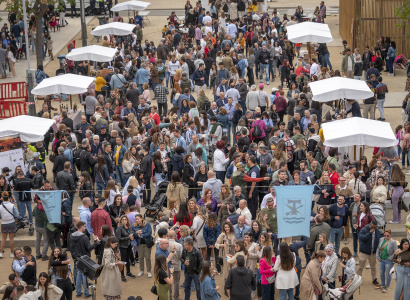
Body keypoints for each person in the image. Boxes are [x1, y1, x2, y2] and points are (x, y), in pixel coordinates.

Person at [357, 220, 381, 287]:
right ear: (370, 225)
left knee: (373, 267)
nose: (373, 228)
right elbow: (361, 238)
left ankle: (374, 279)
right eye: (372, 227)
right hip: (364, 252)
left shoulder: (377, 231)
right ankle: (358, 279)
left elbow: (379, 239)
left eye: (375, 227)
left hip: (372, 252)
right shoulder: (364, 229)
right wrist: (369, 233)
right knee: (360, 267)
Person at [376, 229, 397, 293]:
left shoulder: (393, 242)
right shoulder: (381, 239)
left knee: (388, 274)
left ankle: (387, 286)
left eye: (388, 235)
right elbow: (378, 248)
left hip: (388, 261)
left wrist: (390, 258)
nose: (386, 237)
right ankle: (382, 284)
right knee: (381, 272)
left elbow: (396, 251)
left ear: (390, 235)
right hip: (381, 259)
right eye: (385, 235)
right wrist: (378, 256)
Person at [115, 215, 135, 281]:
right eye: (122, 219)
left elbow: (131, 233)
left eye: (125, 219)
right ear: (121, 221)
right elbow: (118, 238)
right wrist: (128, 237)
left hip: (129, 245)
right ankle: (122, 275)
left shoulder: (128, 226)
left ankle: (128, 272)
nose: (124, 221)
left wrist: (132, 236)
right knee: (123, 260)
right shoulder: (119, 228)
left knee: (128, 259)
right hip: (123, 246)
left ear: (127, 220)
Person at [0, 192, 18, 258]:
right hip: (11, 222)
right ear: (8, 198)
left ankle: (1, 253)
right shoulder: (12, 205)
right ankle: (12, 253)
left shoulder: (0, 206)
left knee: (3, 238)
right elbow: (16, 215)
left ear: (2, 198)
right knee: (11, 239)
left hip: (4, 223)